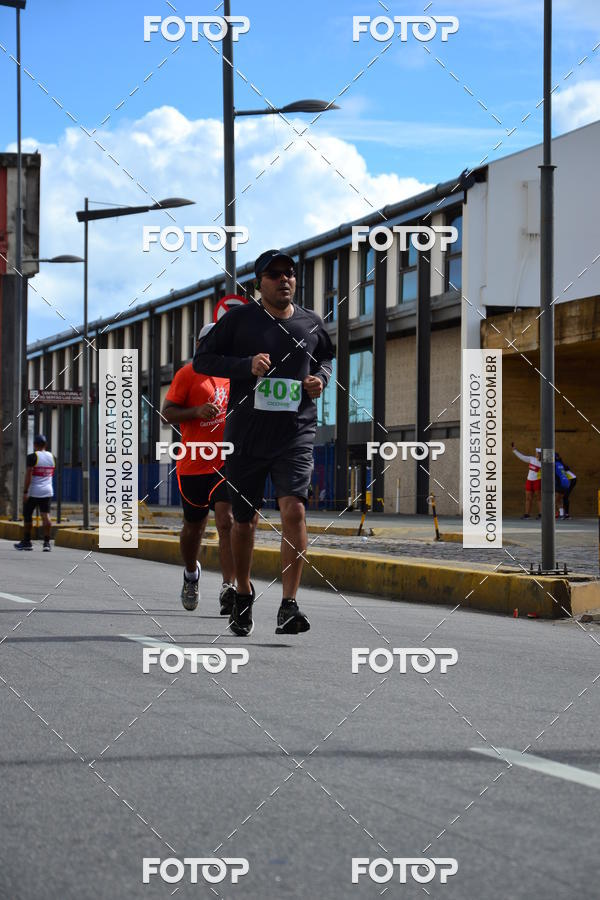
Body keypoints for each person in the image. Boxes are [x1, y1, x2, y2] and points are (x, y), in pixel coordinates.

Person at [193, 249, 335, 637]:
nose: (284, 279)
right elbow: (203, 360)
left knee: (295, 511)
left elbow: (325, 357)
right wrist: (245, 366)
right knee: (245, 521)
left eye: (290, 273)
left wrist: (320, 379)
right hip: (247, 435)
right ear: (259, 284)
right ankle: (242, 592)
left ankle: (289, 605)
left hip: (295, 432)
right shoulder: (239, 320)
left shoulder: (310, 321)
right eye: (274, 274)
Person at [162, 324, 235, 615]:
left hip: (225, 461)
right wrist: (196, 411)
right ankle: (191, 574)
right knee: (194, 527)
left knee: (227, 520)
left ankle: (229, 588)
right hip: (193, 463)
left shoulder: (233, 375)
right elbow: (166, 413)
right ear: (200, 345)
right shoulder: (187, 374)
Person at [14, 434, 55, 551]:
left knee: (27, 515)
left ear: (35, 445)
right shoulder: (52, 457)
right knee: (46, 515)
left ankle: (27, 542)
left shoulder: (32, 457)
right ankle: (47, 543)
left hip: (34, 492)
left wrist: (25, 491)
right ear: (45, 444)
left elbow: (29, 475)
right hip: (47, 490)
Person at [511, 443, 541, 518]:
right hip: (529, 480)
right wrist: (515, 450)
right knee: (528, 498)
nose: (537, 454)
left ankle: (541, 513)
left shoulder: (544, 463)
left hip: (538, 480)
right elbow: (522, 457)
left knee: (539, 498)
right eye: (537, 453)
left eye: (538, 453)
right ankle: (527, 514)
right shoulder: (532, 459)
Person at [555, 453, 576, 519]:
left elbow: (556, 475)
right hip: (566, 482)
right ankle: (563, 514)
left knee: (557, 499)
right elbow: (567, 468)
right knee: (561, 499)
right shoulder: (560, 464)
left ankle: (561, 514)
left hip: (564, 482)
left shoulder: (554, 464)